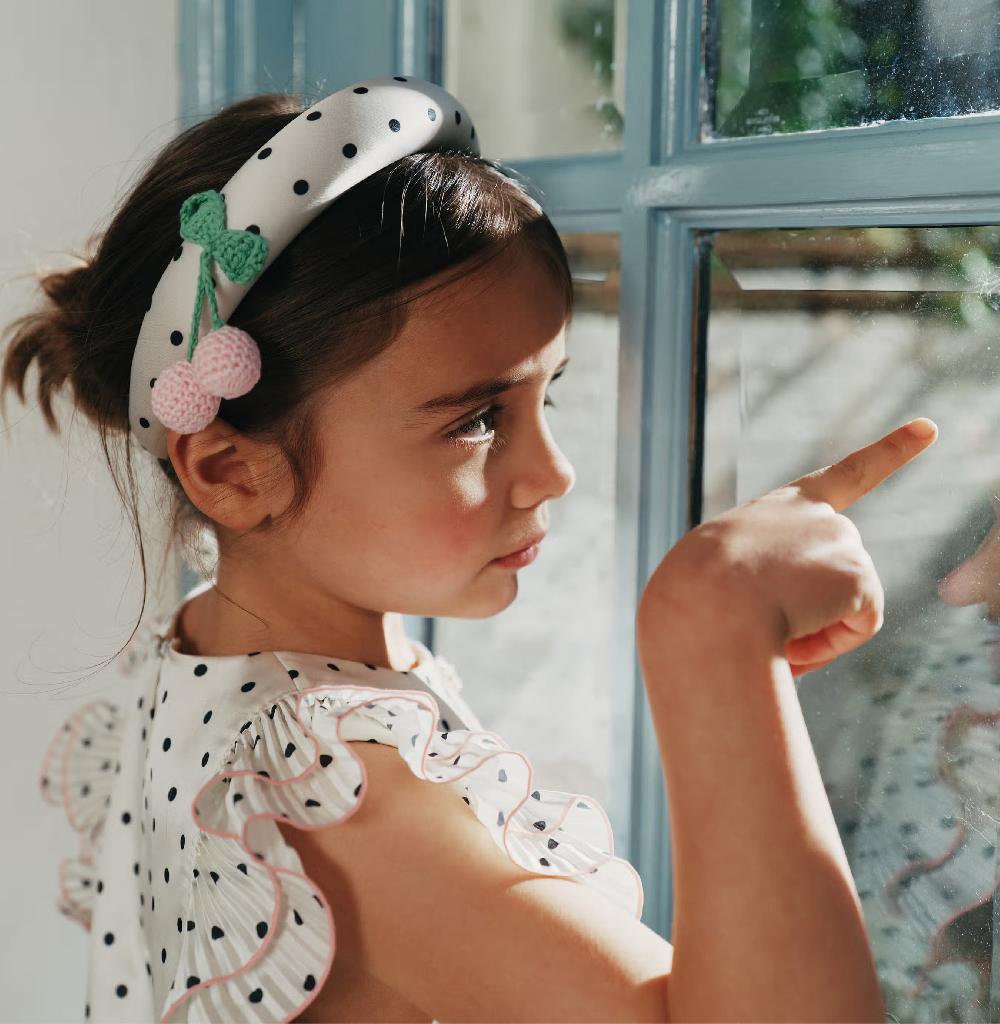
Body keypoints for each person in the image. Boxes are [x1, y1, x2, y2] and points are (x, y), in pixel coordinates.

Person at [2, 74, 934, 1023]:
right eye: (480, 420)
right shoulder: (344, 798)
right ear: (233, 474)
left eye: (548, 395)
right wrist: (715, 625)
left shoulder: (212, 659)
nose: (556, 472)